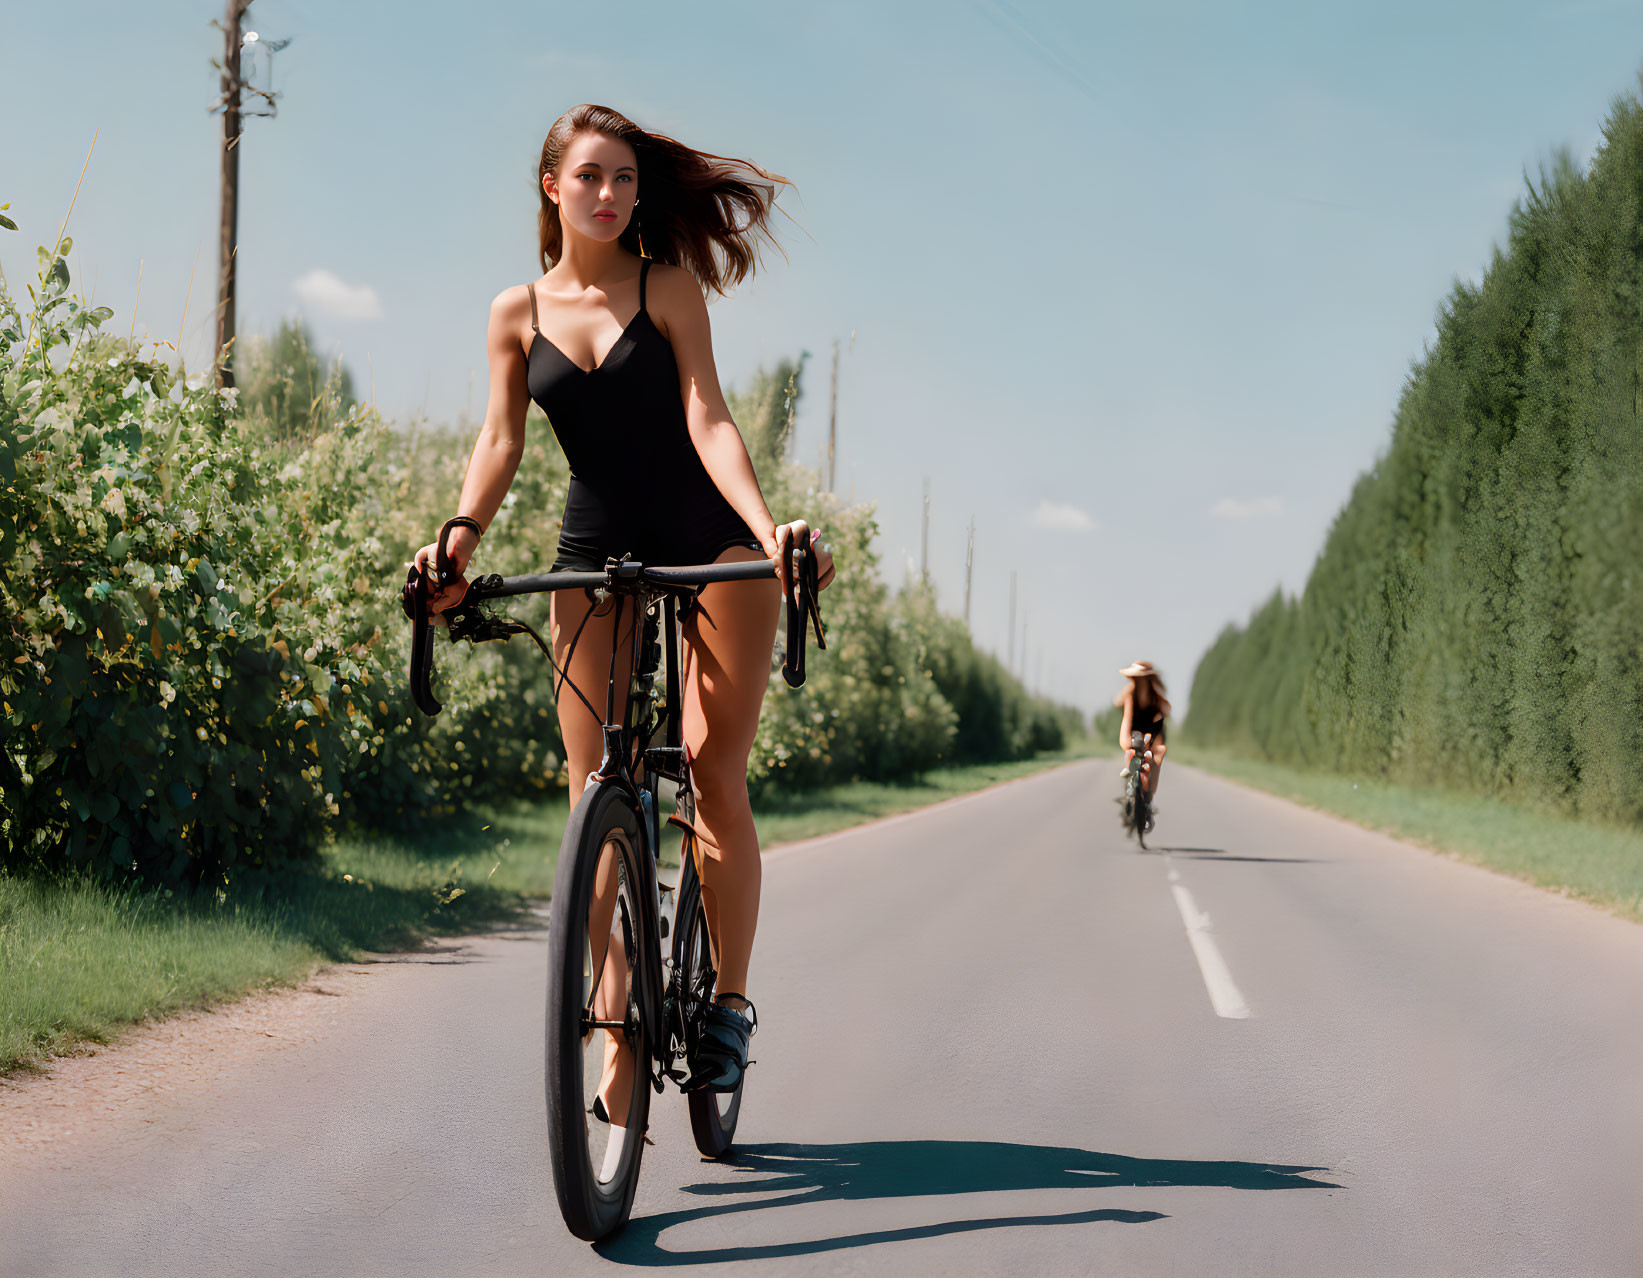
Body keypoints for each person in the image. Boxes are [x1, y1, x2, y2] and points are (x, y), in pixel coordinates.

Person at [411, 104, 836, 1146]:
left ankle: (726, 1003)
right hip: (589, 553)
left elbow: (708, 416)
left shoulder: (669, 288)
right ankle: (614, 1027)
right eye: (591, 177)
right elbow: (502, 442)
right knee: (592, 791)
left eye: (626, 181)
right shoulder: (515, 311)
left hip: (705, 544)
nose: (611, 195)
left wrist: (762, 528)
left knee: (704, 766)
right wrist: (457, 546)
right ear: (551, 186)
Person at [1115, 661, 1170, 803]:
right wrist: (1126, 741)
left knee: (1158, 752)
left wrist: (1157, 692)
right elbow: (1126, 719)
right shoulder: (1130, 696)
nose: (1139, 682)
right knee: (1130, 750)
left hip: (1153, 732)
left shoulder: (1155, 697)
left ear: (1148, 679)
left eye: (1142, 678)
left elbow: (1165, 711)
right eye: (1136, 678)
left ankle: (1150, 793)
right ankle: (1131, 782)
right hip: (1135, 733)